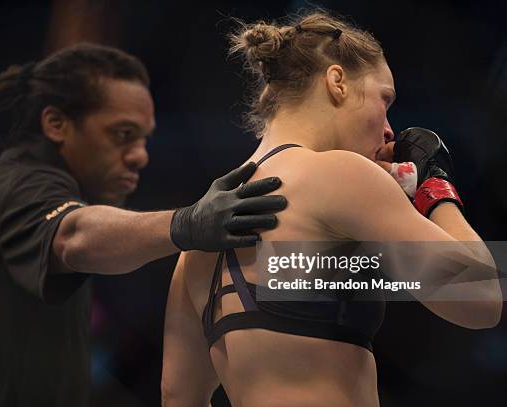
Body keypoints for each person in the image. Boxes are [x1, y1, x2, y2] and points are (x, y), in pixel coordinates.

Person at [0, 43, 288, 406]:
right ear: (56, 124)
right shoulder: (20, 185)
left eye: (144, 138)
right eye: (122, 134)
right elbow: (74, 237)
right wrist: (187, 224)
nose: (140, 156)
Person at [161, 10, 502, 407]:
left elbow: (177, 395)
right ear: (337, 82)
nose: (390, 129)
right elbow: (482, 299)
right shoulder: (339, 174)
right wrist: (433, 185)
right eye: (384, 99)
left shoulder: (198, 242)